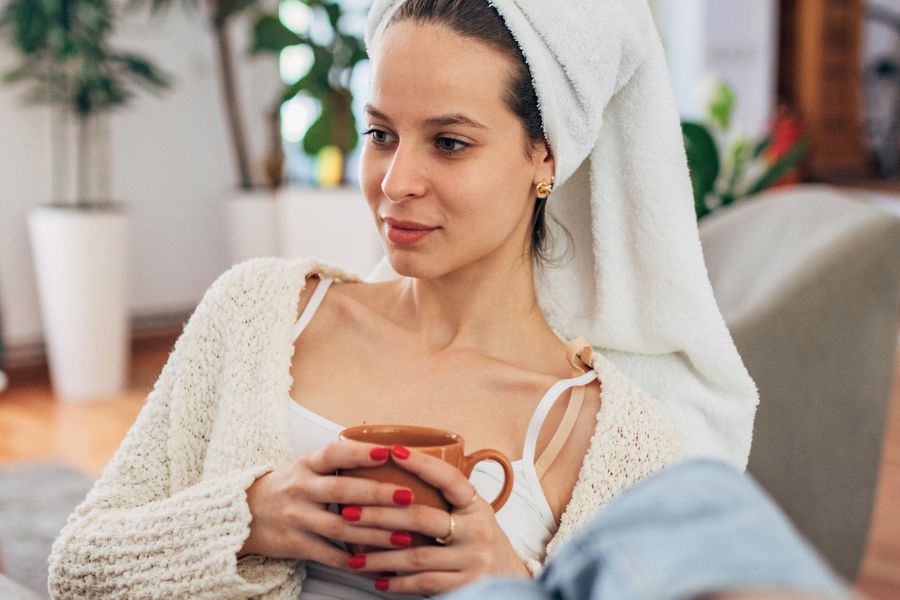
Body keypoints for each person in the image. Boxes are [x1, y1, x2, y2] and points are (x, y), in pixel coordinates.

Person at [47, 0, 761, 598]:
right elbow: (77, 564)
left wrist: (512, 584)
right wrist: (249, 516)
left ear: (545, 154)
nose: (395, 182)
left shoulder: (609, 434)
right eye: (381, 134)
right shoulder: (259, 312)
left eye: (449, 143)